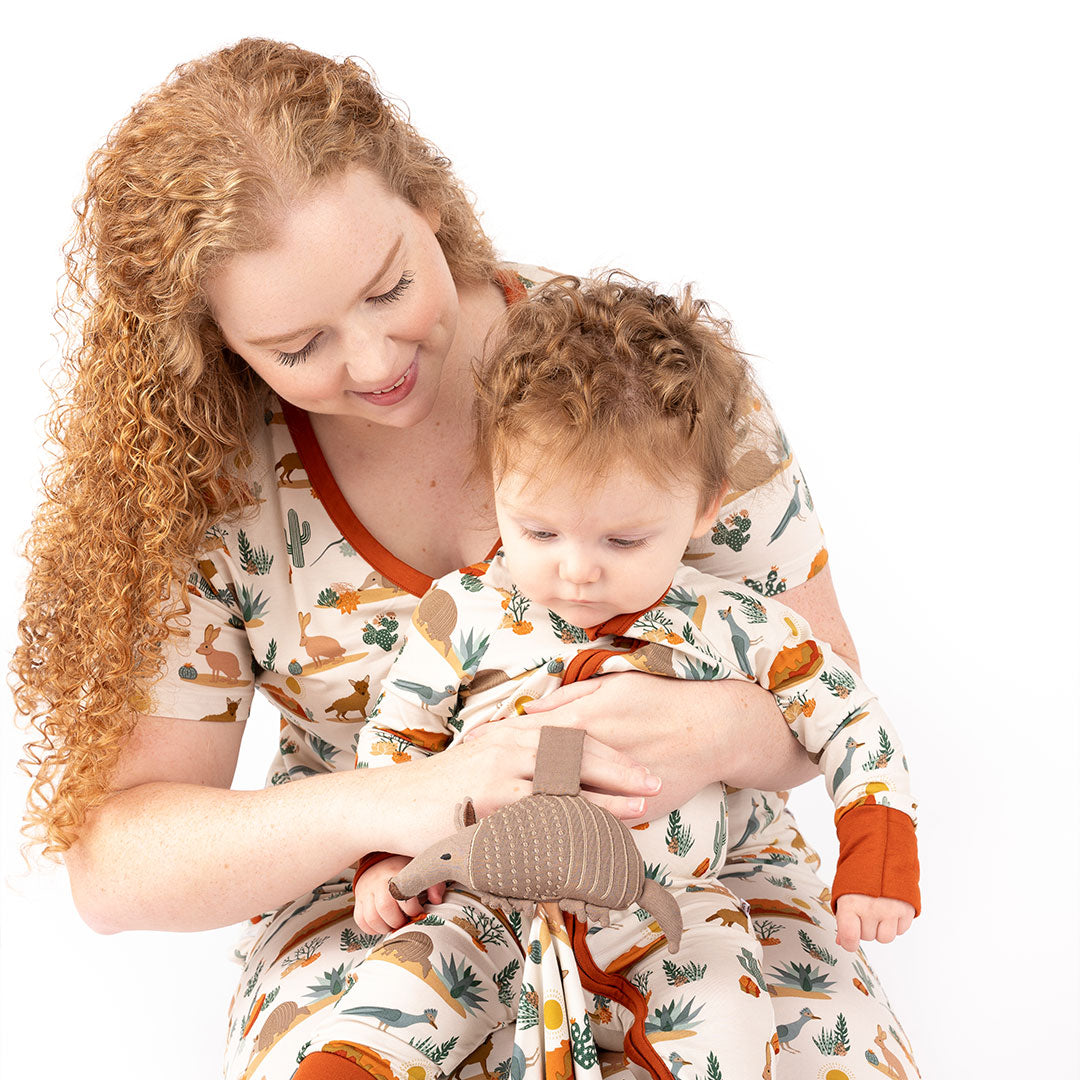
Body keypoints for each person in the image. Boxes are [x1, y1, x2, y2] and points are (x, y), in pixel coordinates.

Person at [10, 37, 920, 1080]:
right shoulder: (209, 483)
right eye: (297, 348)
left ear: (427, 205)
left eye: (390, 287)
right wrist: (406, 798)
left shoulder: (642, 385)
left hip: (701, 877)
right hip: (400, 894)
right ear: (215, 343)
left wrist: (713, 730)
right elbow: (115, 869)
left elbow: (831, 699)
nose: (373, 360)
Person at [345, 273, 918, 1079]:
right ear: (496, 483)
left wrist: (878, 855)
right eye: (538, 529)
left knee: (728, 1016)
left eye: (623, 541)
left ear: (705, 509)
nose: (576, 571)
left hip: (674, 905)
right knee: (400, 993)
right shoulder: (464, 610)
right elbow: (397, 736)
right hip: (483, 900)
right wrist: (382, 859)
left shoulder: (731, 624)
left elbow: (848, 714)